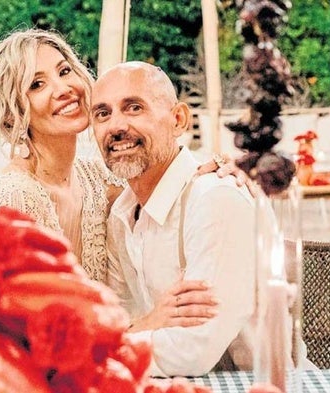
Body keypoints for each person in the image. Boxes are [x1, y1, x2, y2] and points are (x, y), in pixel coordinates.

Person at [0, 29, 242, 286]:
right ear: (12, 112)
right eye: (37, 84)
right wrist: (150, 321)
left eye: (64, 71)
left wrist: (225, 168)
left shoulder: (98, 180)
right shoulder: (13, 200)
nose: (63, 88)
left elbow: (163, 176)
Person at [91, 61, 258, 377]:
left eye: (134, 107)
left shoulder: (214, 198)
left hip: (247, 382)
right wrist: (144, 324)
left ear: (178, 119)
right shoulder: (121, 215)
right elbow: (119, 318)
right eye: (102, 114)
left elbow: (191, 351)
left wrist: (98, 351)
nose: (115, 125)